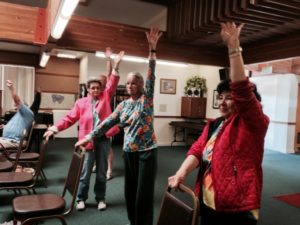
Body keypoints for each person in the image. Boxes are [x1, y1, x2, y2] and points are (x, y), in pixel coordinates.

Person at [168, 22, 269, 225]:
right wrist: (181, 173)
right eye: (220, 97)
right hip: (208, 200)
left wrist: (233, 48)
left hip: (237, 206)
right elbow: (197, 150)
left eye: (228, 97)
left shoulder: (253, 123)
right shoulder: (215, 124)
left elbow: (242, 90)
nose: (222, 102)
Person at [75, 27, 162, 225]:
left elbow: (152, 74)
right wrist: (89, 137)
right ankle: (133, 221)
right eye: (128, 83)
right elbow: (106, 123)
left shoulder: (146, 100)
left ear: (141, 85)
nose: (130, 86)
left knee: (143, 194)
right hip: (128, 152)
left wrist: (152, 50)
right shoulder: (123, 105)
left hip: (147, 152)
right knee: (130, 192)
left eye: (134, 83)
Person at [43, 50, 124, 211]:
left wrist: (116, 64)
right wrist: (54, 128)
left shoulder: (106, 97)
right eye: (92, 88)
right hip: (86, 142)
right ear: (88, 89)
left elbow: (112, 81)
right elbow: (69, 119)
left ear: (102, 89)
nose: (95, 90)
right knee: (85, 174)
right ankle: (81, 198)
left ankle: (100, 198)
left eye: (98, 88)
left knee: (101, 174)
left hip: (103, 141)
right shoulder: (81, 103)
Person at [92, 47, 120, 180]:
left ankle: (109, 170)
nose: (99, 85)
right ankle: (98, 165)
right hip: (94, 127)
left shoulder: (106, 94)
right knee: (95, 148)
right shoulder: (93, 95)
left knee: (107, 149)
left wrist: (109, 59)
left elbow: (109, 75)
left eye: (101, 83)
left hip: (105, 127)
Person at [0, 80, 40, 150]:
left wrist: (11, 88)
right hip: (6, 140)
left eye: (17, 105)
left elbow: (17, 100)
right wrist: (6, 126)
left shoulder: (28, 113)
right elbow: (19, 125)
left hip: (14, 141)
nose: (15, 106)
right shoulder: (20, 114)